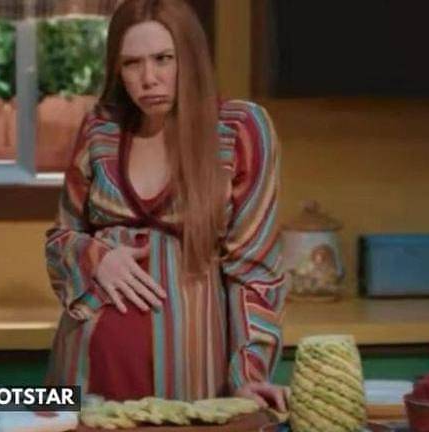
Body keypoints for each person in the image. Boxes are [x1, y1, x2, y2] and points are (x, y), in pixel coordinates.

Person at [44, 0, 288, 411]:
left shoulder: (240, 130)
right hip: (86, 369)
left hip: (192, 375)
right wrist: (96, 258)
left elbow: (255, 272)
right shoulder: (101, 129)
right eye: (131, 63)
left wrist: (249, 375)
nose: (148, 78)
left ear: (190, 57)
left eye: (163, 59)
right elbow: (59, 241)